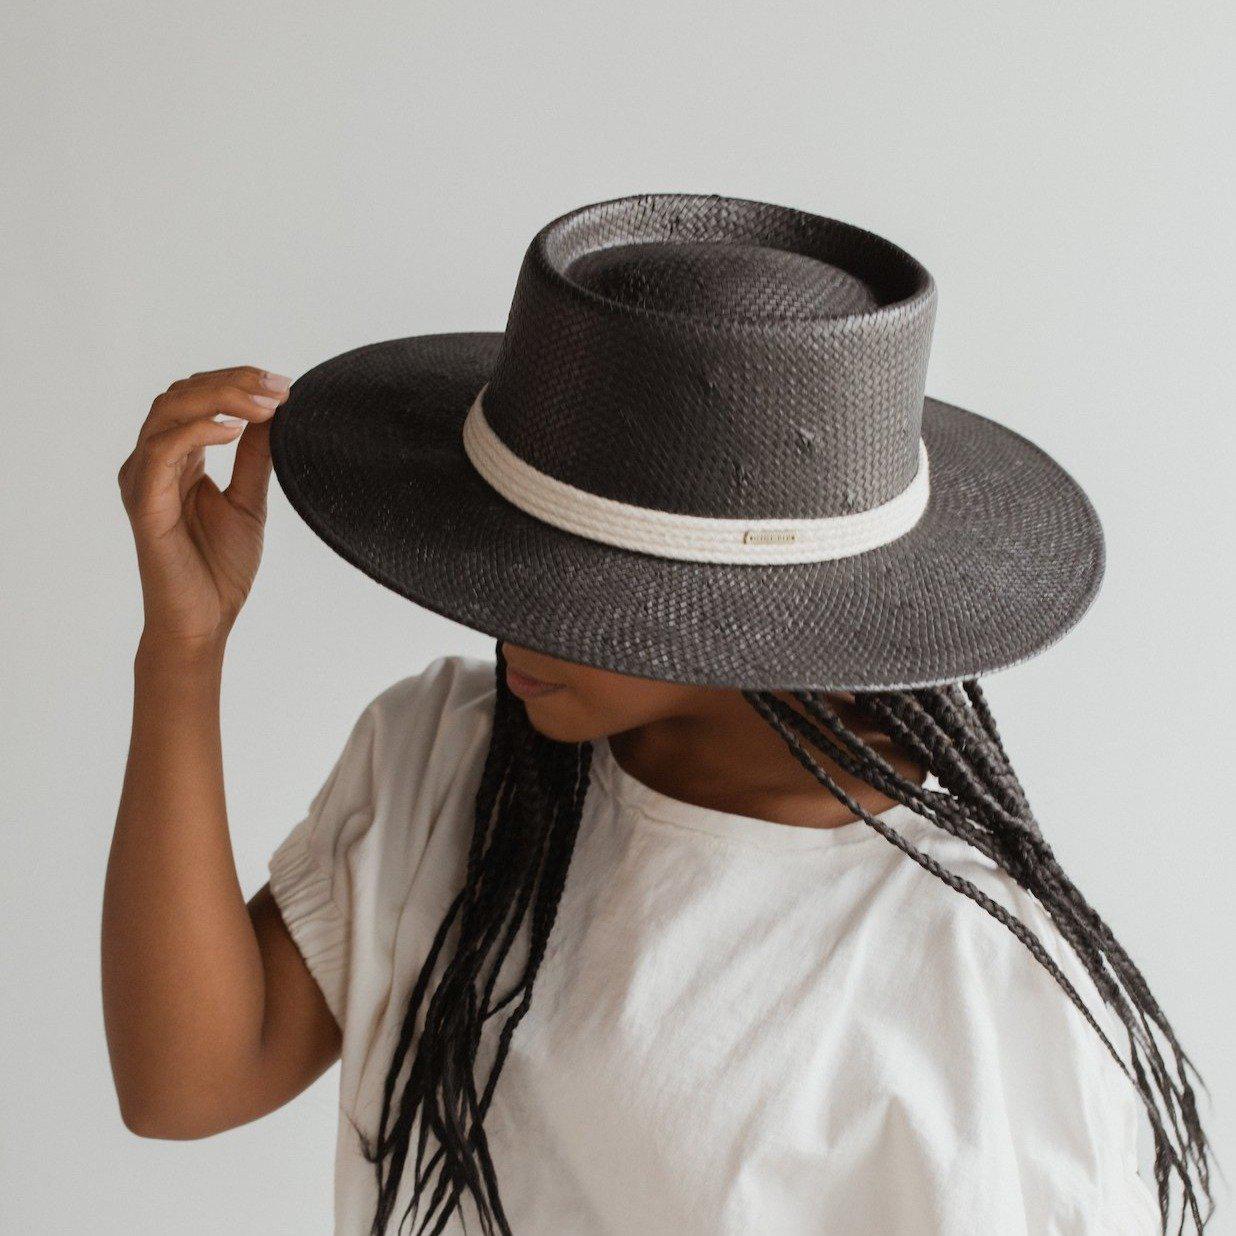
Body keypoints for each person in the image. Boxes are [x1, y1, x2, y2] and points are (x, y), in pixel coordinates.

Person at [103, 194, 1212, 1236]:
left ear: (742, 599)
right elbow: (185, 1085)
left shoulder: (966, 974)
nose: (507, 614)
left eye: (573, 579)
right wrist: (183, 652)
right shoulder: (445, 753)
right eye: (506, 550)